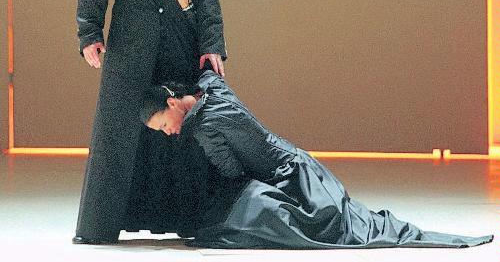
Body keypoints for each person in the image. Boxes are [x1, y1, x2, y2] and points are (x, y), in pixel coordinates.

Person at [140, 70, 494, 249]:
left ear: (172, 104)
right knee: (361, 222)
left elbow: (233, 171)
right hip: (304, 165)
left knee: (342, 229)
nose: (168, 132)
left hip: (292, 184)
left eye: (163, 124)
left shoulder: (204, 128)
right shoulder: (212, 85)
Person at [74, 0, 226, 244]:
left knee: (177, 135)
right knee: (117, 136)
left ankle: (186, 224)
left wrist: (211, 44)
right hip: (128, 46)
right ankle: (100, 228)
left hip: (178, 45)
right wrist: (89, 33)